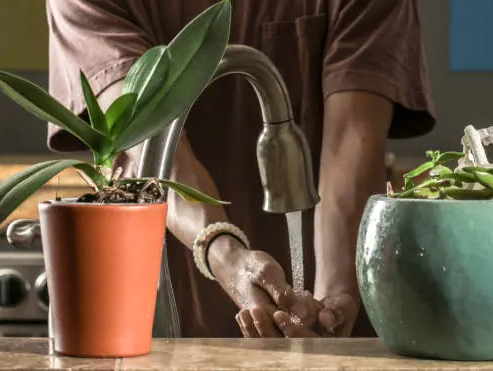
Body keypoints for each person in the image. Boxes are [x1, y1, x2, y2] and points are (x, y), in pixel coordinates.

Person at [45, 0, 435, 338]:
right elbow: (149, 141)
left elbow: (352, 137)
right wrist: (225, 251)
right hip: (159, 318)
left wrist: (332, 298)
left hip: (337, 320)